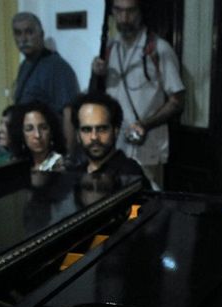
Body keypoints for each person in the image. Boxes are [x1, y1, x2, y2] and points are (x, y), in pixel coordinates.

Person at [90, 0, 185, 189]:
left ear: (141, 11)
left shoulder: (158, 49)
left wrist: (145, 124)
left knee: (149, 202)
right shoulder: (109, 48)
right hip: (114, 148)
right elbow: (94, 98)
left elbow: (177, 101)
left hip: (147, 147)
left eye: (130, 11)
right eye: (119, 11)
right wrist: (95, 74)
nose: (124, 18)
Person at [11, 12, 79, 152]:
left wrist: (68, 157)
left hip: (50, 151)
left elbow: (69, 114)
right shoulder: (24, 65)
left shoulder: (57, 67)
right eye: (18, 33)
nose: (23, 38)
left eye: (29, 32)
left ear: (41, 34)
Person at [68, 92, 148, 188]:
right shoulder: (73, 176)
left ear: (116, 131)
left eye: (101, 129)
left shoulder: (130, 174)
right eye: (87, 130)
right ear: (77, 135)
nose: (94, 137)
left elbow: (139, 203)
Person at [9, 101, 65, 172]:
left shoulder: (61, 165)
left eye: (43, 128)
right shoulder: (16, 166)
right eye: (29, 129)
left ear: (51, 131)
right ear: (20, 134)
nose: (37, 135)